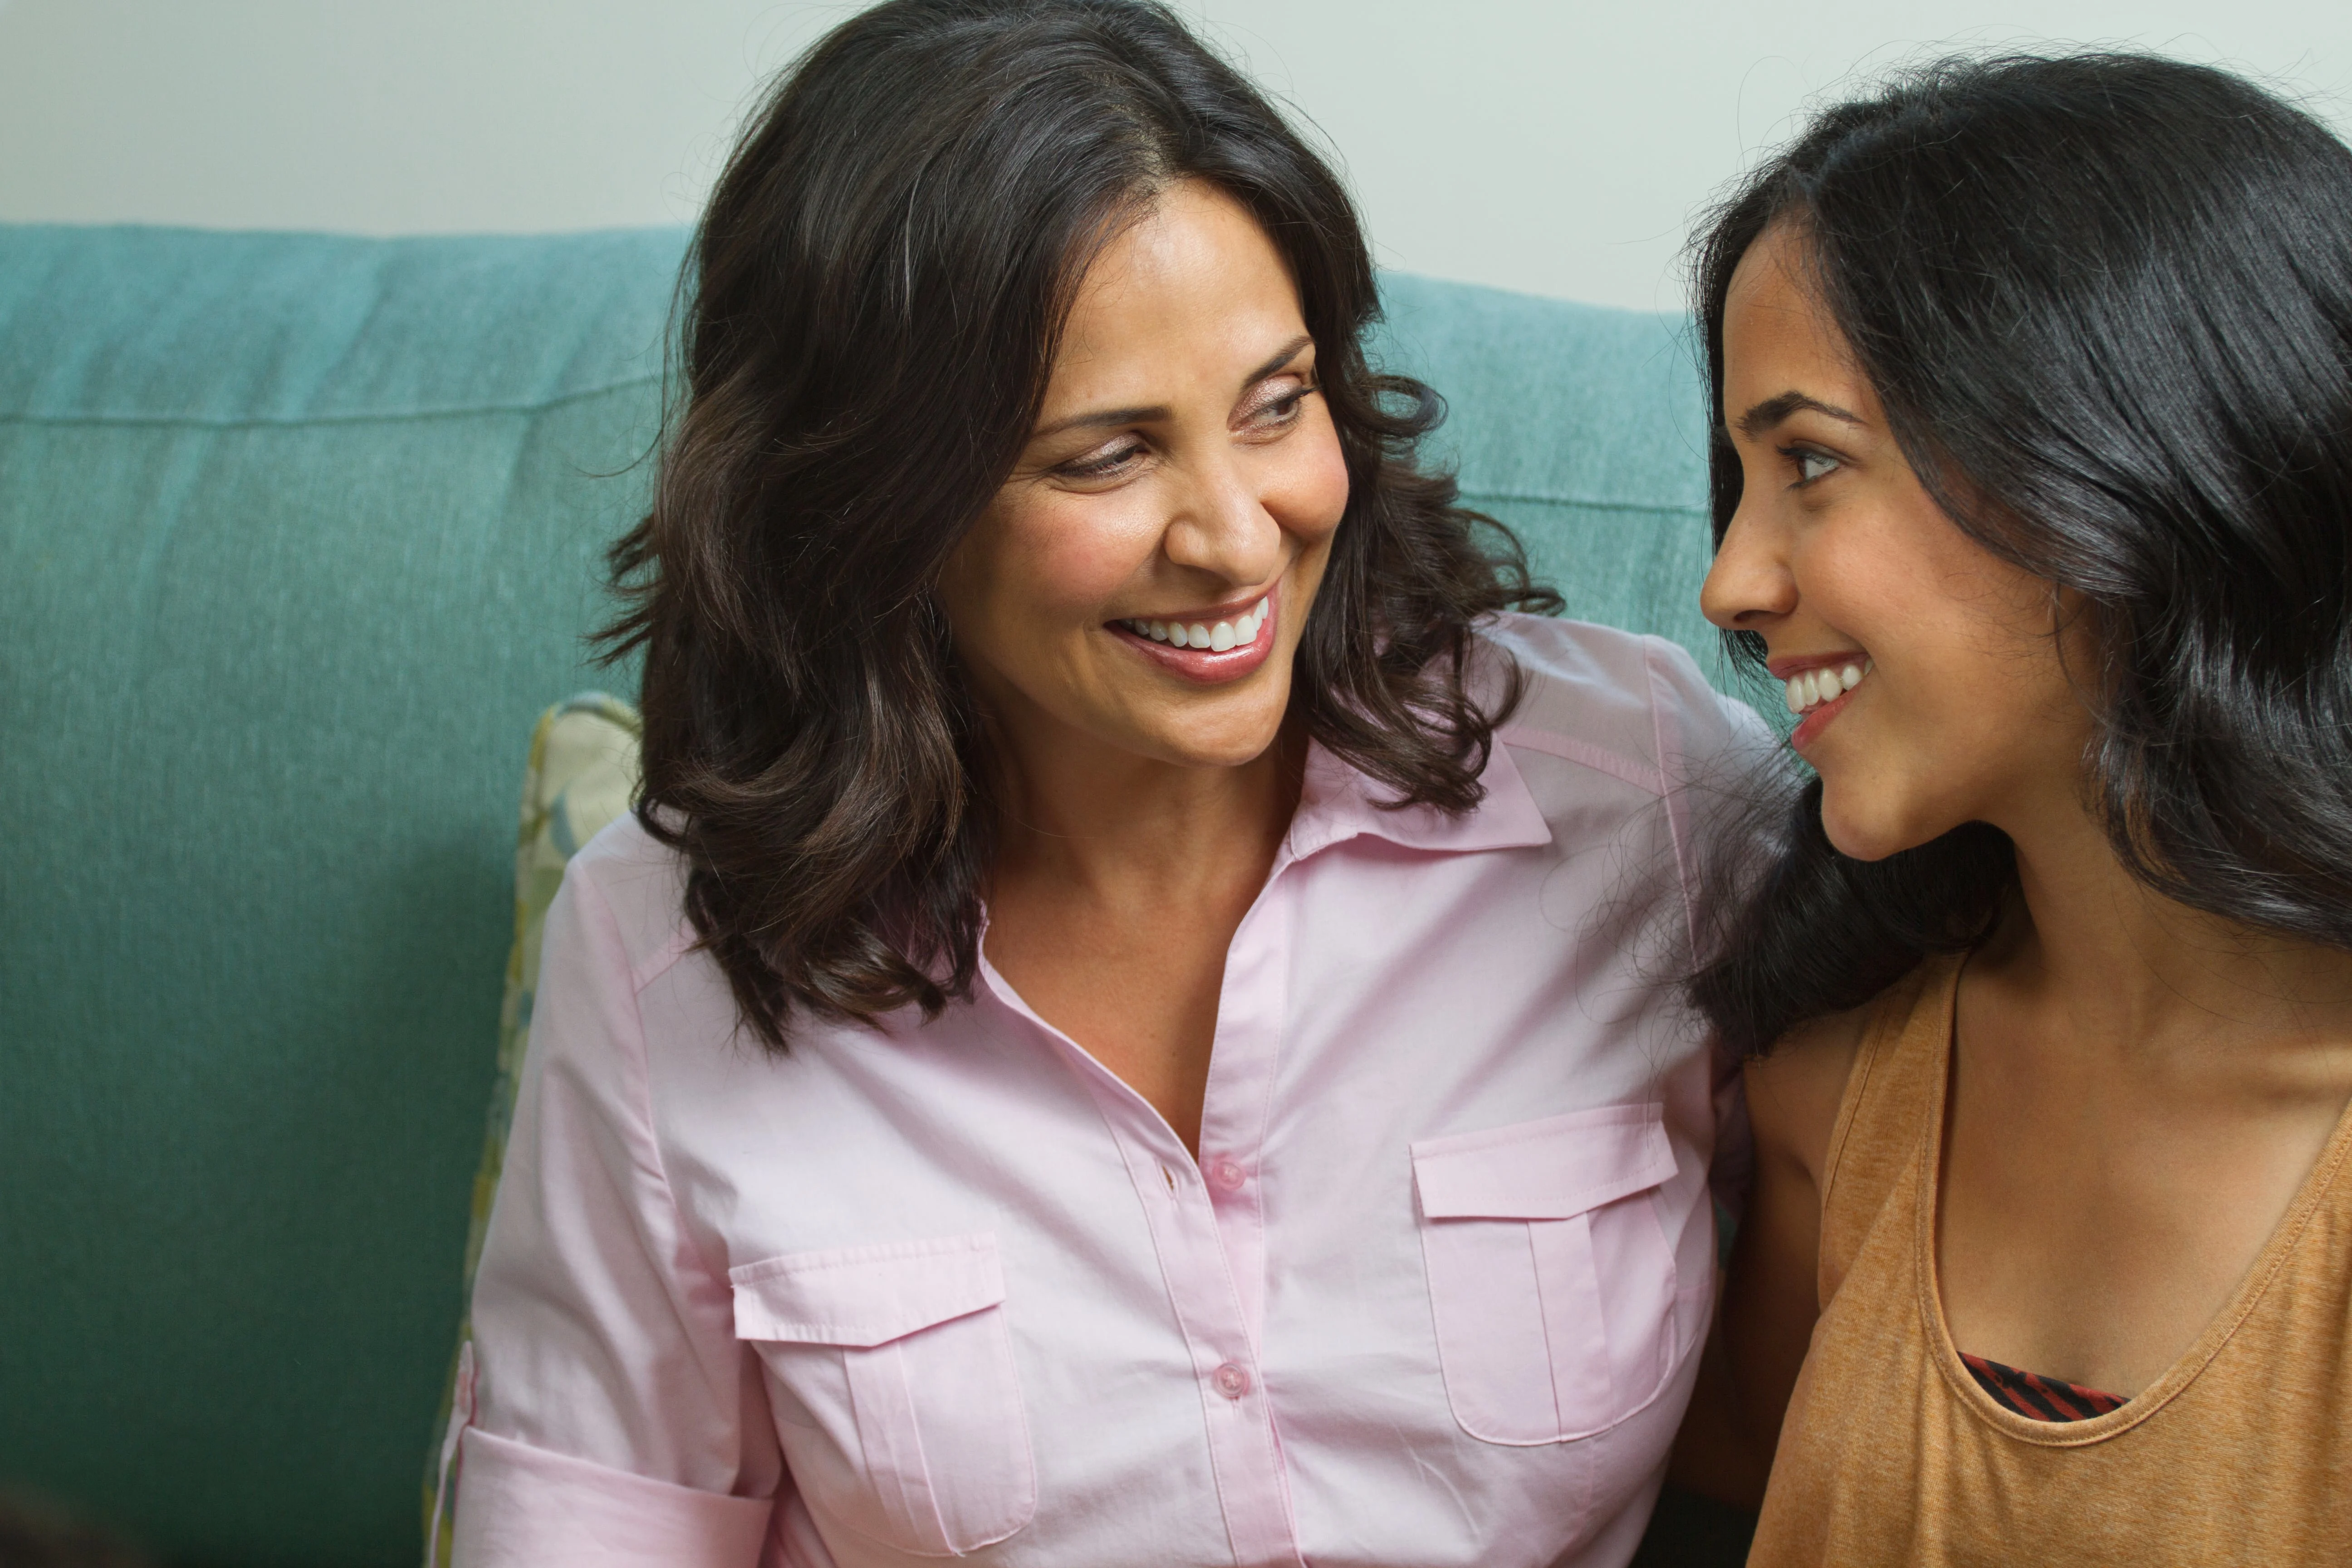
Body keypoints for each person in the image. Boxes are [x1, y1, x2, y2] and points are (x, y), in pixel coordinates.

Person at [443, 2, 1762, 1564]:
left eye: (1277, 406)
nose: (1236, 535)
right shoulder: (666, 957)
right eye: (1105, 457)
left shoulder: (1647, 804)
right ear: (876, 505)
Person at [1671, 52, 2352, 1563]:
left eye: (1811, 462)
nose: (1730, 583)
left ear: (2130, 452)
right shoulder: (1839, 1085)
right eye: (1742, 477)